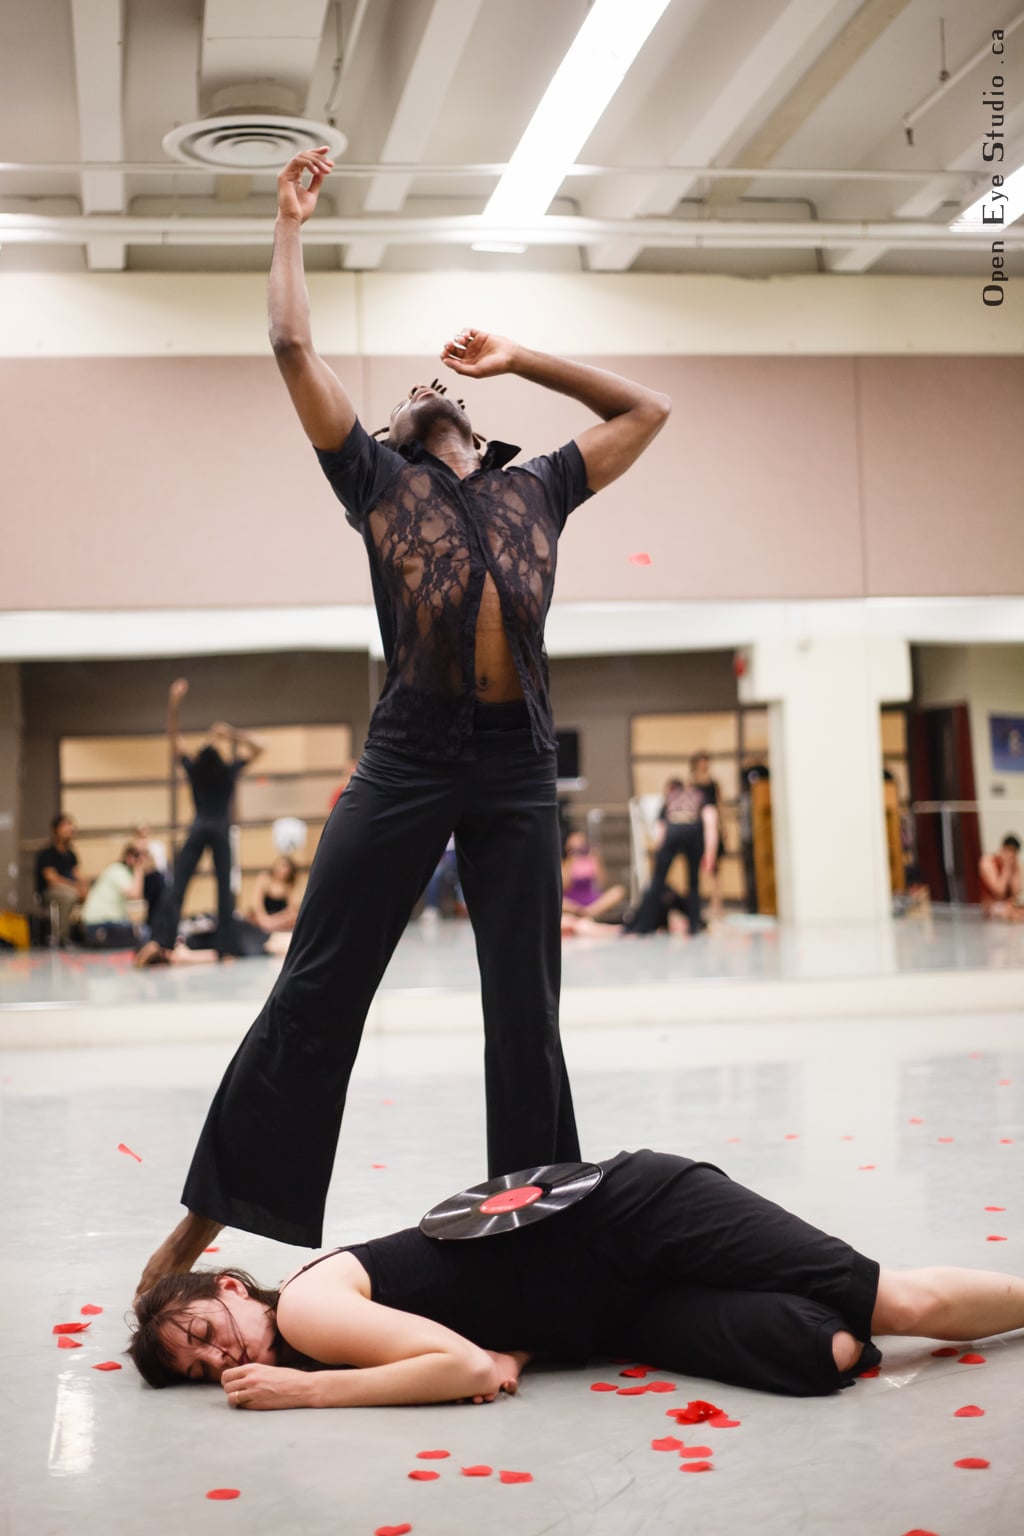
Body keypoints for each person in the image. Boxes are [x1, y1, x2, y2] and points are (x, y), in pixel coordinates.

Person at [135, 145, 670, 1295]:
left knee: (525, 1015)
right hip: (407, 758)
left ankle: (538, 1246)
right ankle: (204, 1224)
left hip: (519, 767)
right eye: (416, 396)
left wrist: (523, 353)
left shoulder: (540, 488)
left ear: (480, 428)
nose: (435, 394)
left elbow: (648, 407)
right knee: (319, 986)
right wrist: (287, 224)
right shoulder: (375, 483)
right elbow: (291, 345)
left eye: (456, 397)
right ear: (391, 431)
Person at [128, 1147, 1024, 1409]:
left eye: (210, 1332)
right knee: (824, 1352)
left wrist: (304, 1396)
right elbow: (480, 1330)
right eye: (204, 1369)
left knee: (906, 1305)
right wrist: (502, 1348)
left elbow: (470, 1371)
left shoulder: (314, 1312)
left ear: (235, 1288)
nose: (229, 1359)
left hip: (634, 1216)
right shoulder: (318, 1342)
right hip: (609, 1315)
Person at [135, 681, 265, 967]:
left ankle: (161, 940)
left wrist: (174, 702)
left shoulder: (195, 770)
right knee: (223, 890)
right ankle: (226, 949)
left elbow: (173, 736)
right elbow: (260, 746)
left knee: (178, 886)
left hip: (199, 827)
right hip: (220, 829)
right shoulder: (228, 771)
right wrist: (230, 732)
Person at [625, 769, 719, 937]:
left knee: (657, 882)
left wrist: (658, 856)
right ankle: (694, 924)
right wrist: (710, 854)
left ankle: (644, 925)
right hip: (693, 831)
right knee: (694, 882)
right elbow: (710, 822)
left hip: (672, 831)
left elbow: (660, 830)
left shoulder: (671, 798)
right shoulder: (700, 796)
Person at [34, 814, 89, 946]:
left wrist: (85, 887)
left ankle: (86, 933)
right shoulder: (46, 853)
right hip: (49, 891)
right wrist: (75, 887)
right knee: (68, 896)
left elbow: (77, 874)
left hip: (71, 888)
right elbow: (52, 879)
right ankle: (62, 937)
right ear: (56, 830)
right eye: (66, 825)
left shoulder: (71, 854)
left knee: (89, 894)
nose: (70, 829)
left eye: (71, 825)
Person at [80, 842, 145, 948]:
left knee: (141, 931)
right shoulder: (118, 870)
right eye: (137, 856)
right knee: (144, 932)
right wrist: (139, 869)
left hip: (104, 922)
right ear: (128, 857)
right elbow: (135, 894)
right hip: (98, 923)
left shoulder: (121, 871)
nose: (141, 860)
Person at [689, 751, 726, 923]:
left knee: (715, 867)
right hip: (698, 826)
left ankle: (716, 902)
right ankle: (695, 901)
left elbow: (719, 804)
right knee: (695, 864)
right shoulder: (691, 782)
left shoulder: (713, 782)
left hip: (712, 825)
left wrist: (722, 826)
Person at [561, 830, 625, 923]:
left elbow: (602, 882)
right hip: (572, 902)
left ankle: (587, 913)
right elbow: (565, 886)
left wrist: (596, 861)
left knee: (619, 890)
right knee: (560, 902)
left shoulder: (591, 859)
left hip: (591, 900)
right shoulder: (564, 863)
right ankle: (586, 914)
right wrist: (571, 862)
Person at [246, 856, 300, 935]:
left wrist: (273, 921)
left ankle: (270, 927)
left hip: (278, 919)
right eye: (281, 865)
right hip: (263, 916)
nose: (282, 870)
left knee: (294, 916)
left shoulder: (290, 886)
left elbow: (291, 909)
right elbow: (257, 903)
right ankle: (266, 926)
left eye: (286, 867)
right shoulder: (264, 878)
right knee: (250, 916)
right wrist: (264, 919)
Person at [978, 833, 1023, 921]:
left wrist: (1013, 870)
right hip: (991, 905)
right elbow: (999, 891)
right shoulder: (988, 862)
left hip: (1009, 905)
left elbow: (1016, 892)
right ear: (1002, 849)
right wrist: (1006, 869)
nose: (1011, 856)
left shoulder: (1016, 866)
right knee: (1008, 911)